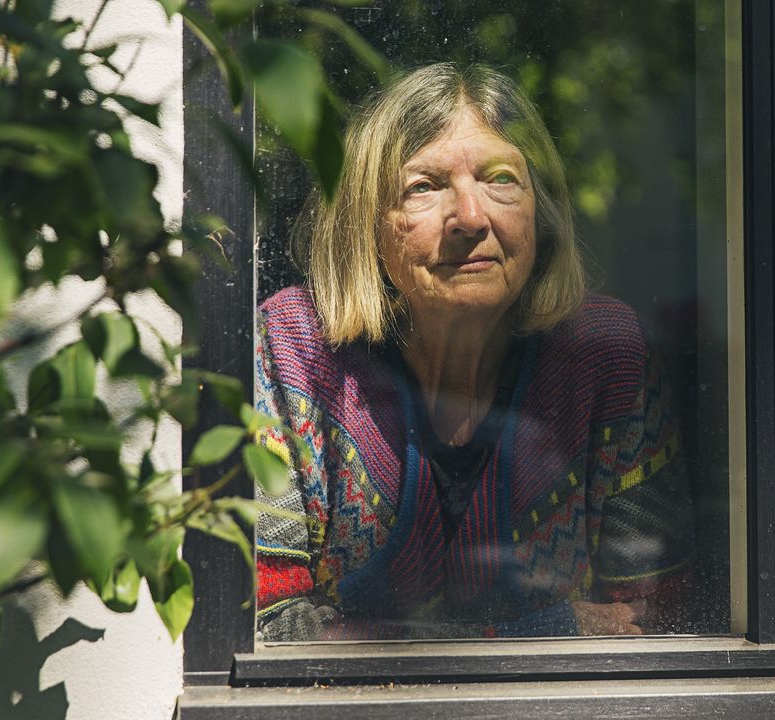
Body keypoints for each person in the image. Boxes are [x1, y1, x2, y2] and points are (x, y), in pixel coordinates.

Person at [254, 63, 693, 640]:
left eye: (500, 178)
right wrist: (545, 630)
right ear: (364, 222)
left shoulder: (606, 358)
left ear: (541, 207)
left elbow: (656, 621)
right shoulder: (294, 354)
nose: (470, 216)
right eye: (424, 186)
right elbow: (263, 628)